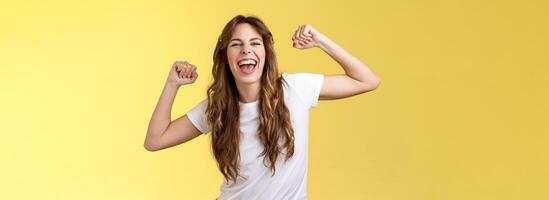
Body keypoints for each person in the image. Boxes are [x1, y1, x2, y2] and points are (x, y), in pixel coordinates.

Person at [144, 15, 380, 200]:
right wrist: (172, 84)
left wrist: (320, 41)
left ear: (265, 54)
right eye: (236, 44)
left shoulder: (294, 89)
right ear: (226, 58)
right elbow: (155, 140)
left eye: (254, 43)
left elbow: (367, 80)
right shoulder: (217, 107)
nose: (246, 49)